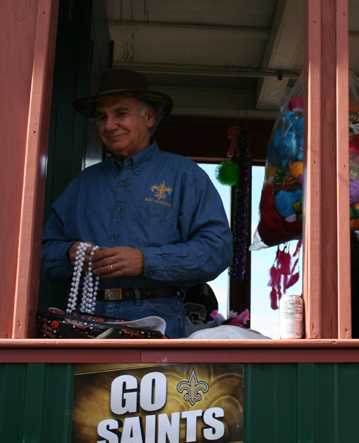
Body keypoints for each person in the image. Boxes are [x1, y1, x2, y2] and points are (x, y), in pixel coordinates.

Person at [41, 69, 233, 338]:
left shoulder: (185, 175)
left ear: (149, 117)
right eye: (102, 117)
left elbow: (217, 251)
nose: (109, 125)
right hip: (84, 315)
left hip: (157, 312)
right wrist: (69, 253)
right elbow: (45, 252)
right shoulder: (81, 184)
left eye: (120, 113)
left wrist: (146, 260)